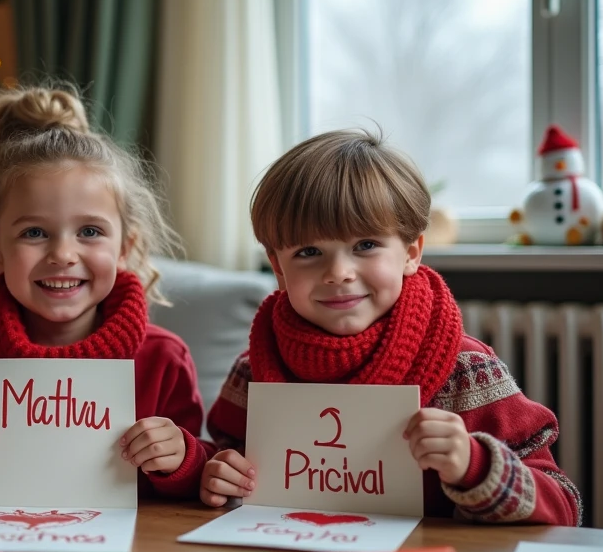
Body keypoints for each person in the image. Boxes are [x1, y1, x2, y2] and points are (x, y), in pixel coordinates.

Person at [200, 129, 582, 525]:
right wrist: (218, 474)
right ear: (278, 266)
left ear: (412, 252)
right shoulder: (252, 372)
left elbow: (565, 506)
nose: (338, 273)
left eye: (365, 245)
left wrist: (475, 465)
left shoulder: (466, 370)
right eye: (309, 252)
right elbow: (225, 462)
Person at [0, 85, 211, 498]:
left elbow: (197, 479)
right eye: (34, 232)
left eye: (89, 231)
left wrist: (183, 460)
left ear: (126, 248)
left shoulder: (163, 361)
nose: (63, 254)